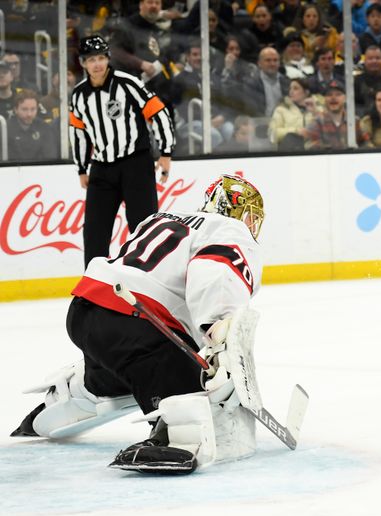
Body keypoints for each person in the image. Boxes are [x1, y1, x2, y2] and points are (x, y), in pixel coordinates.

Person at [12, 174, 265, 474]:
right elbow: (215, 274)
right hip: (132, 322)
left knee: (127, 364)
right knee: (202, 392)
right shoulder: (229, 229)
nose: (252, 227)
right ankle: (175, 435)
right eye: (252, 218)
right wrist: (219, 335)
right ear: (239, 212)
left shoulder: (163, 217)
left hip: (86, 312)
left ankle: (83, 388)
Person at [70, 35, 175, 268]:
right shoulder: (78, 95)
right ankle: (95, 288)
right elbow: (78, 133)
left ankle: (149, 278)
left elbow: (158, 112)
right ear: (83, 63)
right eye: (91, 59)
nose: (96, 64)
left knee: (144, 228)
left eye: (100, 58)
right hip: (101, 169)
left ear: (107, 59)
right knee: (95, 233)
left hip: (135, 165)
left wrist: (165, 153)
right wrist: (81, 168)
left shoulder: (127, 83)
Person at [7, 90, 57, 162]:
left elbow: (50, 157)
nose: (29, 114)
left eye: (33, 109)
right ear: (15, 109)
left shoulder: (44, 128)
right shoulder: (5, 129)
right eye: (24, 109)